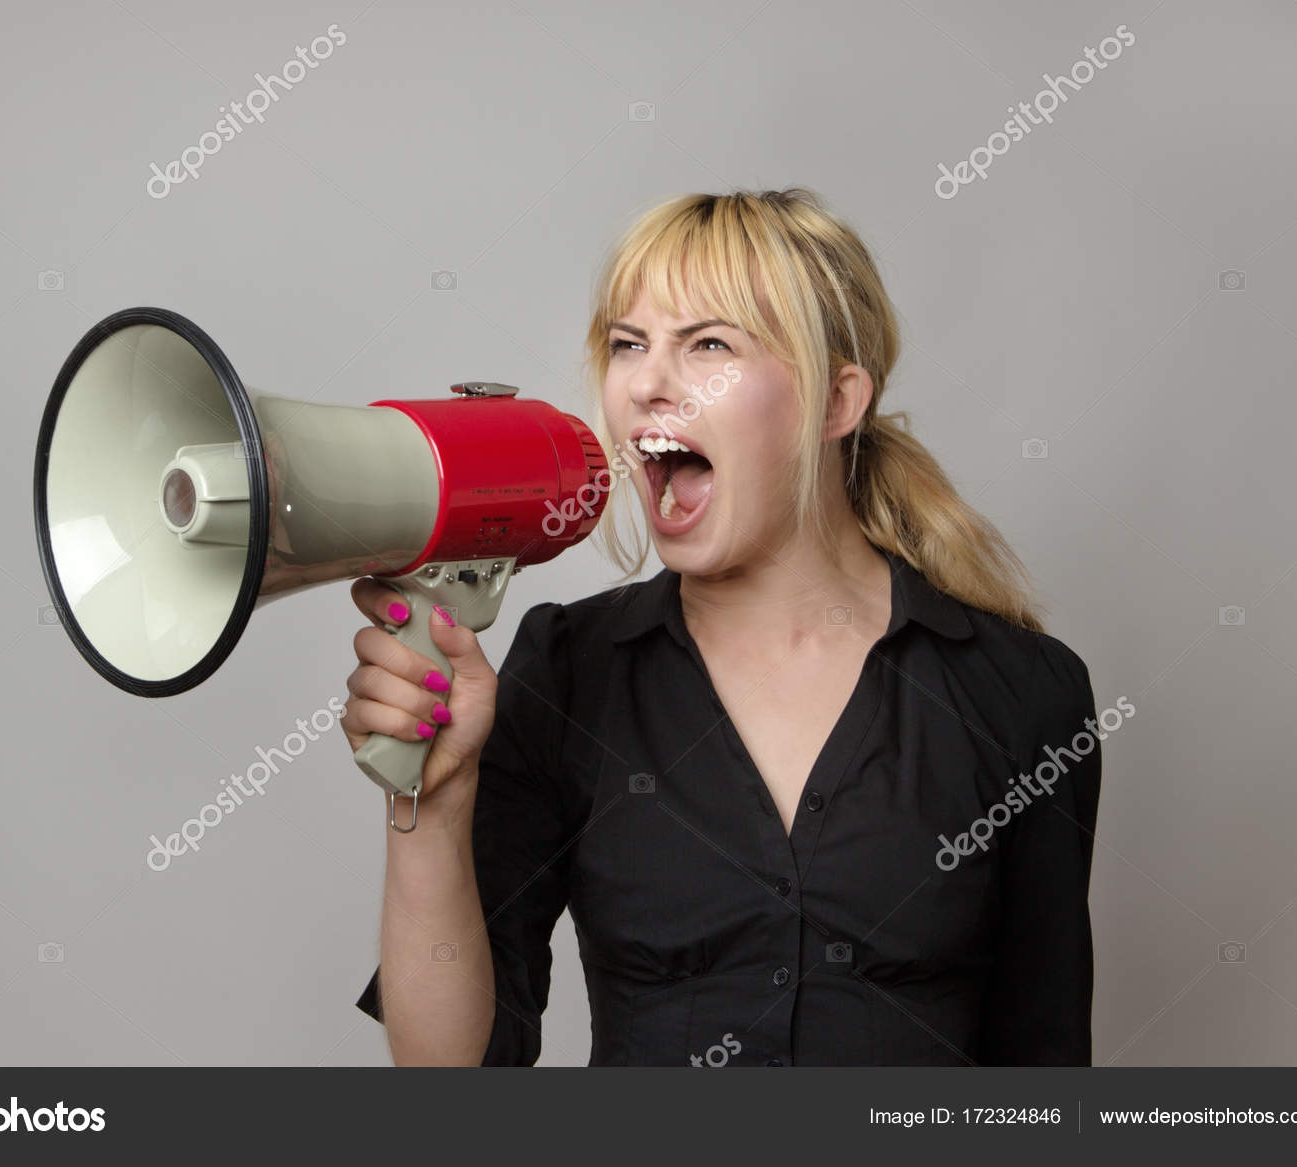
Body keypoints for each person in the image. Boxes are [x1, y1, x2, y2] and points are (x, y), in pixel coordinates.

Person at [345, 187, 1102, 1067]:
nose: (648, 383)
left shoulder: (1020, 692)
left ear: (835, 403)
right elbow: (449, 1075)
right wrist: (432, 809)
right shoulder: (569, 671)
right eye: (629, 345)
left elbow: (1043, 1066)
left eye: (708, 344)